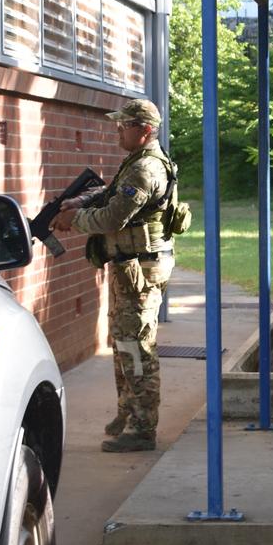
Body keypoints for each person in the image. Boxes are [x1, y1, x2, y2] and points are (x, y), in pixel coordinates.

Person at [53, 98, 178, 453]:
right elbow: (110, 195)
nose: (117, 130)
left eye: (125, 125)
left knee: (136, 345)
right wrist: (80, 202)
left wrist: (72, 220)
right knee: (122, 342)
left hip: (141, 268)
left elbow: (112, 218)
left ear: (146, 131)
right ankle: (128, 411)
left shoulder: (145, 169)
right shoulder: (138, 161)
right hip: (129, 266)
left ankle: (142, 428)